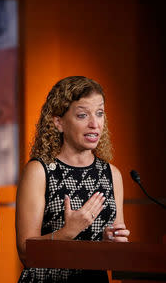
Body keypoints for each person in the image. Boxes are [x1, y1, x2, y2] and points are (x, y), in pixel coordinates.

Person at [16, 76, 130, 282]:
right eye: (82, 115)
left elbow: (115, 252)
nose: (95, 124)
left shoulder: (112, 174)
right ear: (58, 122)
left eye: (100, 113)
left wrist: (111, 244)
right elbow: (26, 252)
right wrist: (69, 231)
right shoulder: (39, 171)